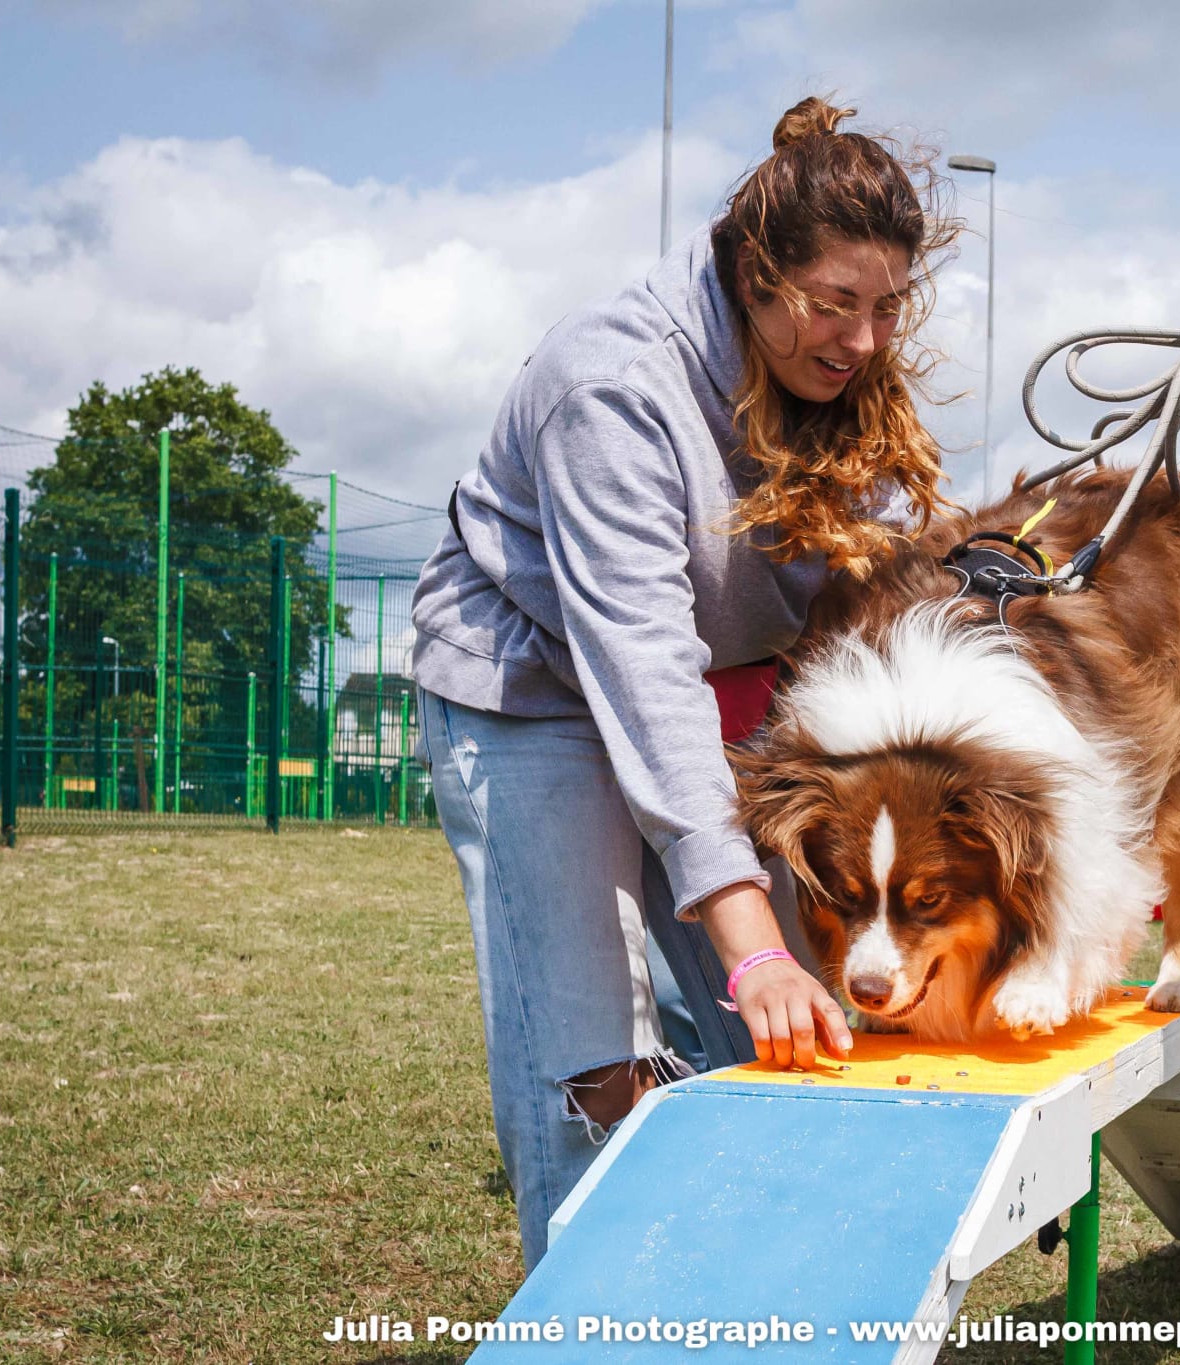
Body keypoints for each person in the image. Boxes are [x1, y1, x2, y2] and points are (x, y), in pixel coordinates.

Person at [411, 96, 957, 1271]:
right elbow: (641, 668)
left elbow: (879, 596)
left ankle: (759, 1295)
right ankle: (601, 1315)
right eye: (834, 305)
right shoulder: (608, 384)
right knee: (596, 1050)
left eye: (885, 308)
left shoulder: (845, 375)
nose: (863, 342)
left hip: (724, 696)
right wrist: (748, 942)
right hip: (534, 694)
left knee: (791, 1026)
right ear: (757, 272)